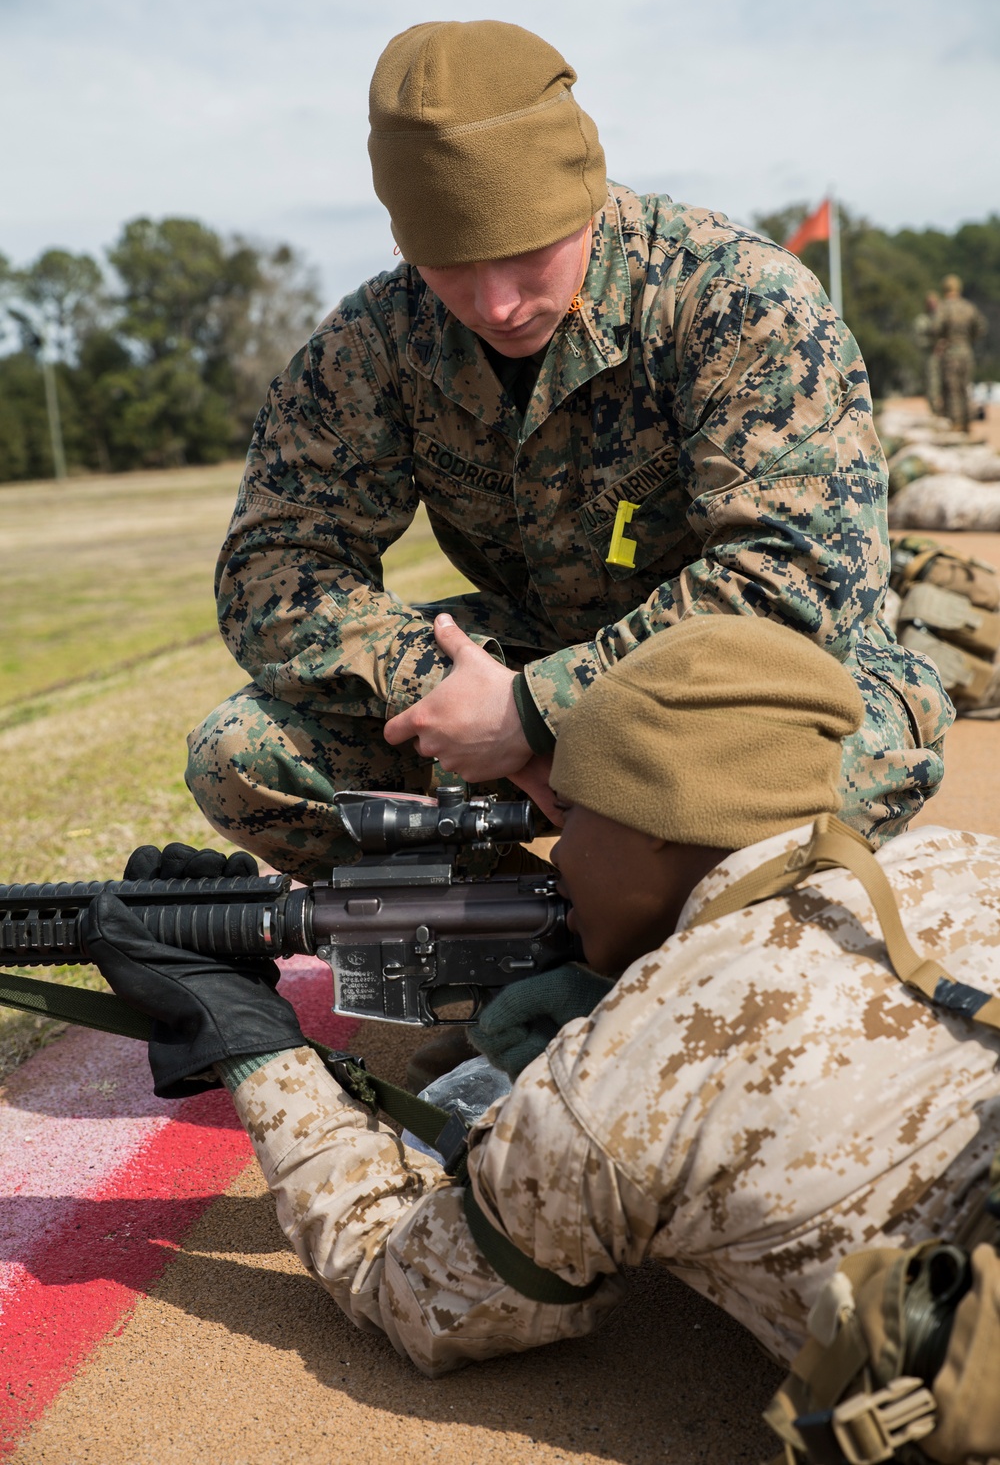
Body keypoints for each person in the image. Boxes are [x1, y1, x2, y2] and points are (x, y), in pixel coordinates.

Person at [87, 616, 1000, 1462]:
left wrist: (256, 1044)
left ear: (658, 819)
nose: (557, 851)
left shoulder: (626, 1077)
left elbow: (411, 1287)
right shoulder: (962, 860)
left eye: (573, 812)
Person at [184, 19, 952, 887]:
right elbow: (272, 571)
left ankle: (652, 923)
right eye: (450, 263)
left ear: (582, 193)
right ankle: (530, 944)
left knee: (816, 788)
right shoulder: (375, 341)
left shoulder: (736, 301)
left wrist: (540, 711)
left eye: (523, 251)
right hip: (524, 656)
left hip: (739, 689)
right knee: (243, 756)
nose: (496, 302)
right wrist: (453, 696)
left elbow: (796, 583)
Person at [934, 275, 987, 433]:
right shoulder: (969, 307)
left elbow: (936, 327)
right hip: (966, 351)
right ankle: (966, 424)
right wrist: (969, 339)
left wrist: (943, 339)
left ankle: (956, 424)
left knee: (952, 389)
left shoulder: (944, 307)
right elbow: (981, 327)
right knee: (965, 388)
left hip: (951, 352)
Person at [913, 290, 943, 415]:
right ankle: (935, 411)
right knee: (932, 385)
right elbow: (918, 340)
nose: (933, 305)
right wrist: (933, 344)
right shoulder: (922, 320)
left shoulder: (943, 318)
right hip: (931, 357)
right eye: (930, 302)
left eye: (935, 302)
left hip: (947, 357)